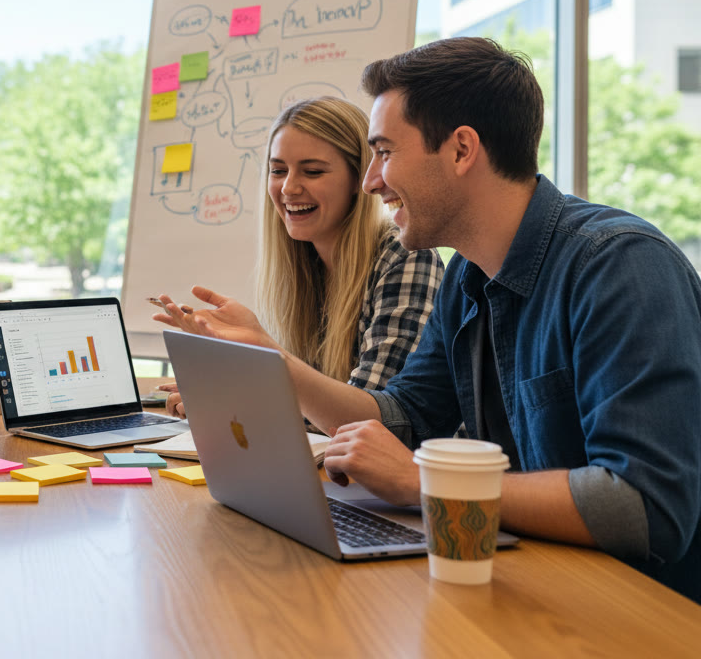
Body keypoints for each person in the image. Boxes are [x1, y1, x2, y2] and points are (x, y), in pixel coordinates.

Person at [159, 37, 701, 601]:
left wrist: (429, 484)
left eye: (385, 153)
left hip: (639, 612)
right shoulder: (467, 277)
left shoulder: (620, 267)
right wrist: (276, 368)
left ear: (462, 150)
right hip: (534, 585)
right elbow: (406, 418)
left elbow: (644, 506)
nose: (371, 181)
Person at [154, 96, 443, 417]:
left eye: (313, 171)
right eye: (278, 170)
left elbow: (372, 417)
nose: (289, 188)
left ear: (357, 179)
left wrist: (243, 387)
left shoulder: (405, 256)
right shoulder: (301, 266)